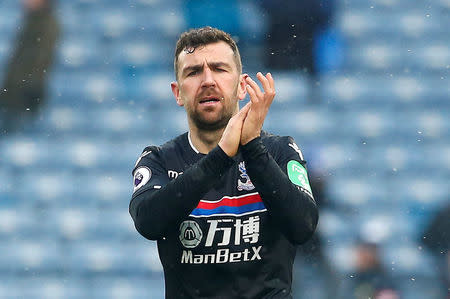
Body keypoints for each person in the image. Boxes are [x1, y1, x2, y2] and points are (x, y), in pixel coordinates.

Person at [129, 26, 318, 299]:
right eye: (193, 72)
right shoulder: (158, 159)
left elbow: (303, 226)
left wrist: (252, 147)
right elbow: (148, 222)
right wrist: (221, 156)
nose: (208, 80)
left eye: (219, 69)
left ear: (242, 85)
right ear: (178, 92)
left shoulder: (279, 151)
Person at [0, 0, 59, 134]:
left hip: (24, 94)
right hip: (15, 93)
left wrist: (25, 89)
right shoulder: (32, 21)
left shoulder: (45, 24)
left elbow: (37, 61)